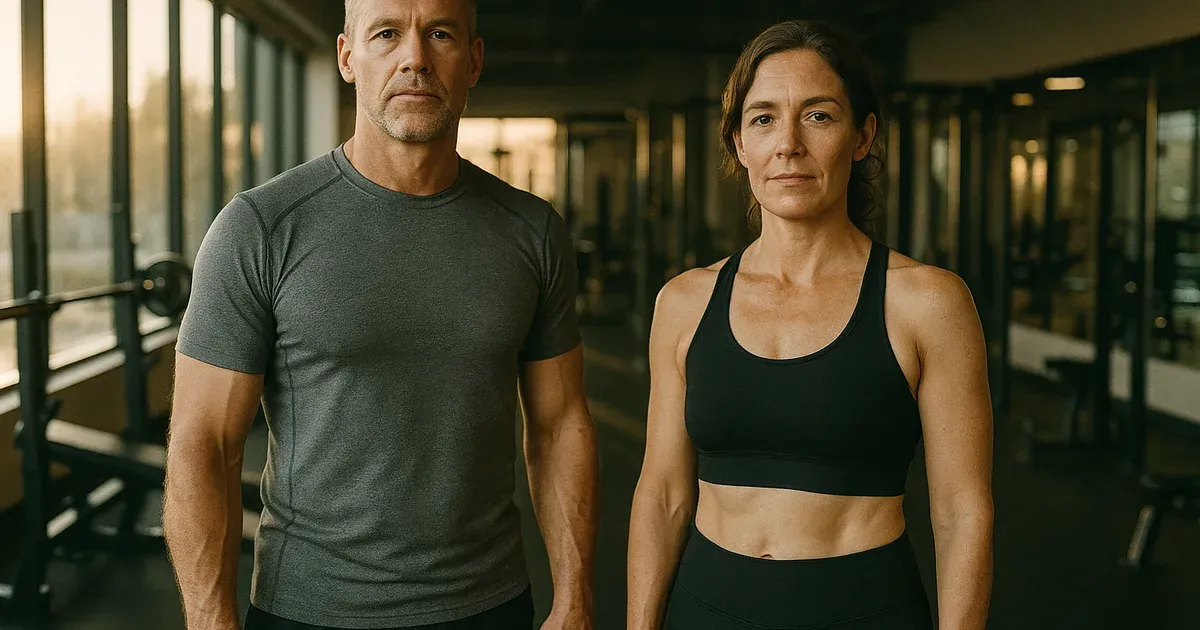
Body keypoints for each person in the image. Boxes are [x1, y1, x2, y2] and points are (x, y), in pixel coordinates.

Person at [163, 0, 599, 628]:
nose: (414, 58)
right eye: (387, 34)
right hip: (309, 610)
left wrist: (577, 599)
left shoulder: (532, 231)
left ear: (473, 60)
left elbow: (560, 426)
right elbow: (203, 444)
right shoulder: (259, 229)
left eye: (440, 34)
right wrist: (210, 621)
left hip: (491, 605)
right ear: (348, 56)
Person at [627, 19, 994, 630]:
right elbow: (662, 494)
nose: (788, 144)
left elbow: (962, 512)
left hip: (865, 610)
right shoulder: (684, 303)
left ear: (862, 136)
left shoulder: (928, 303)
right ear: (739, 144)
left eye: (818, 115)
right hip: (705, 609)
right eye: (763, 118)